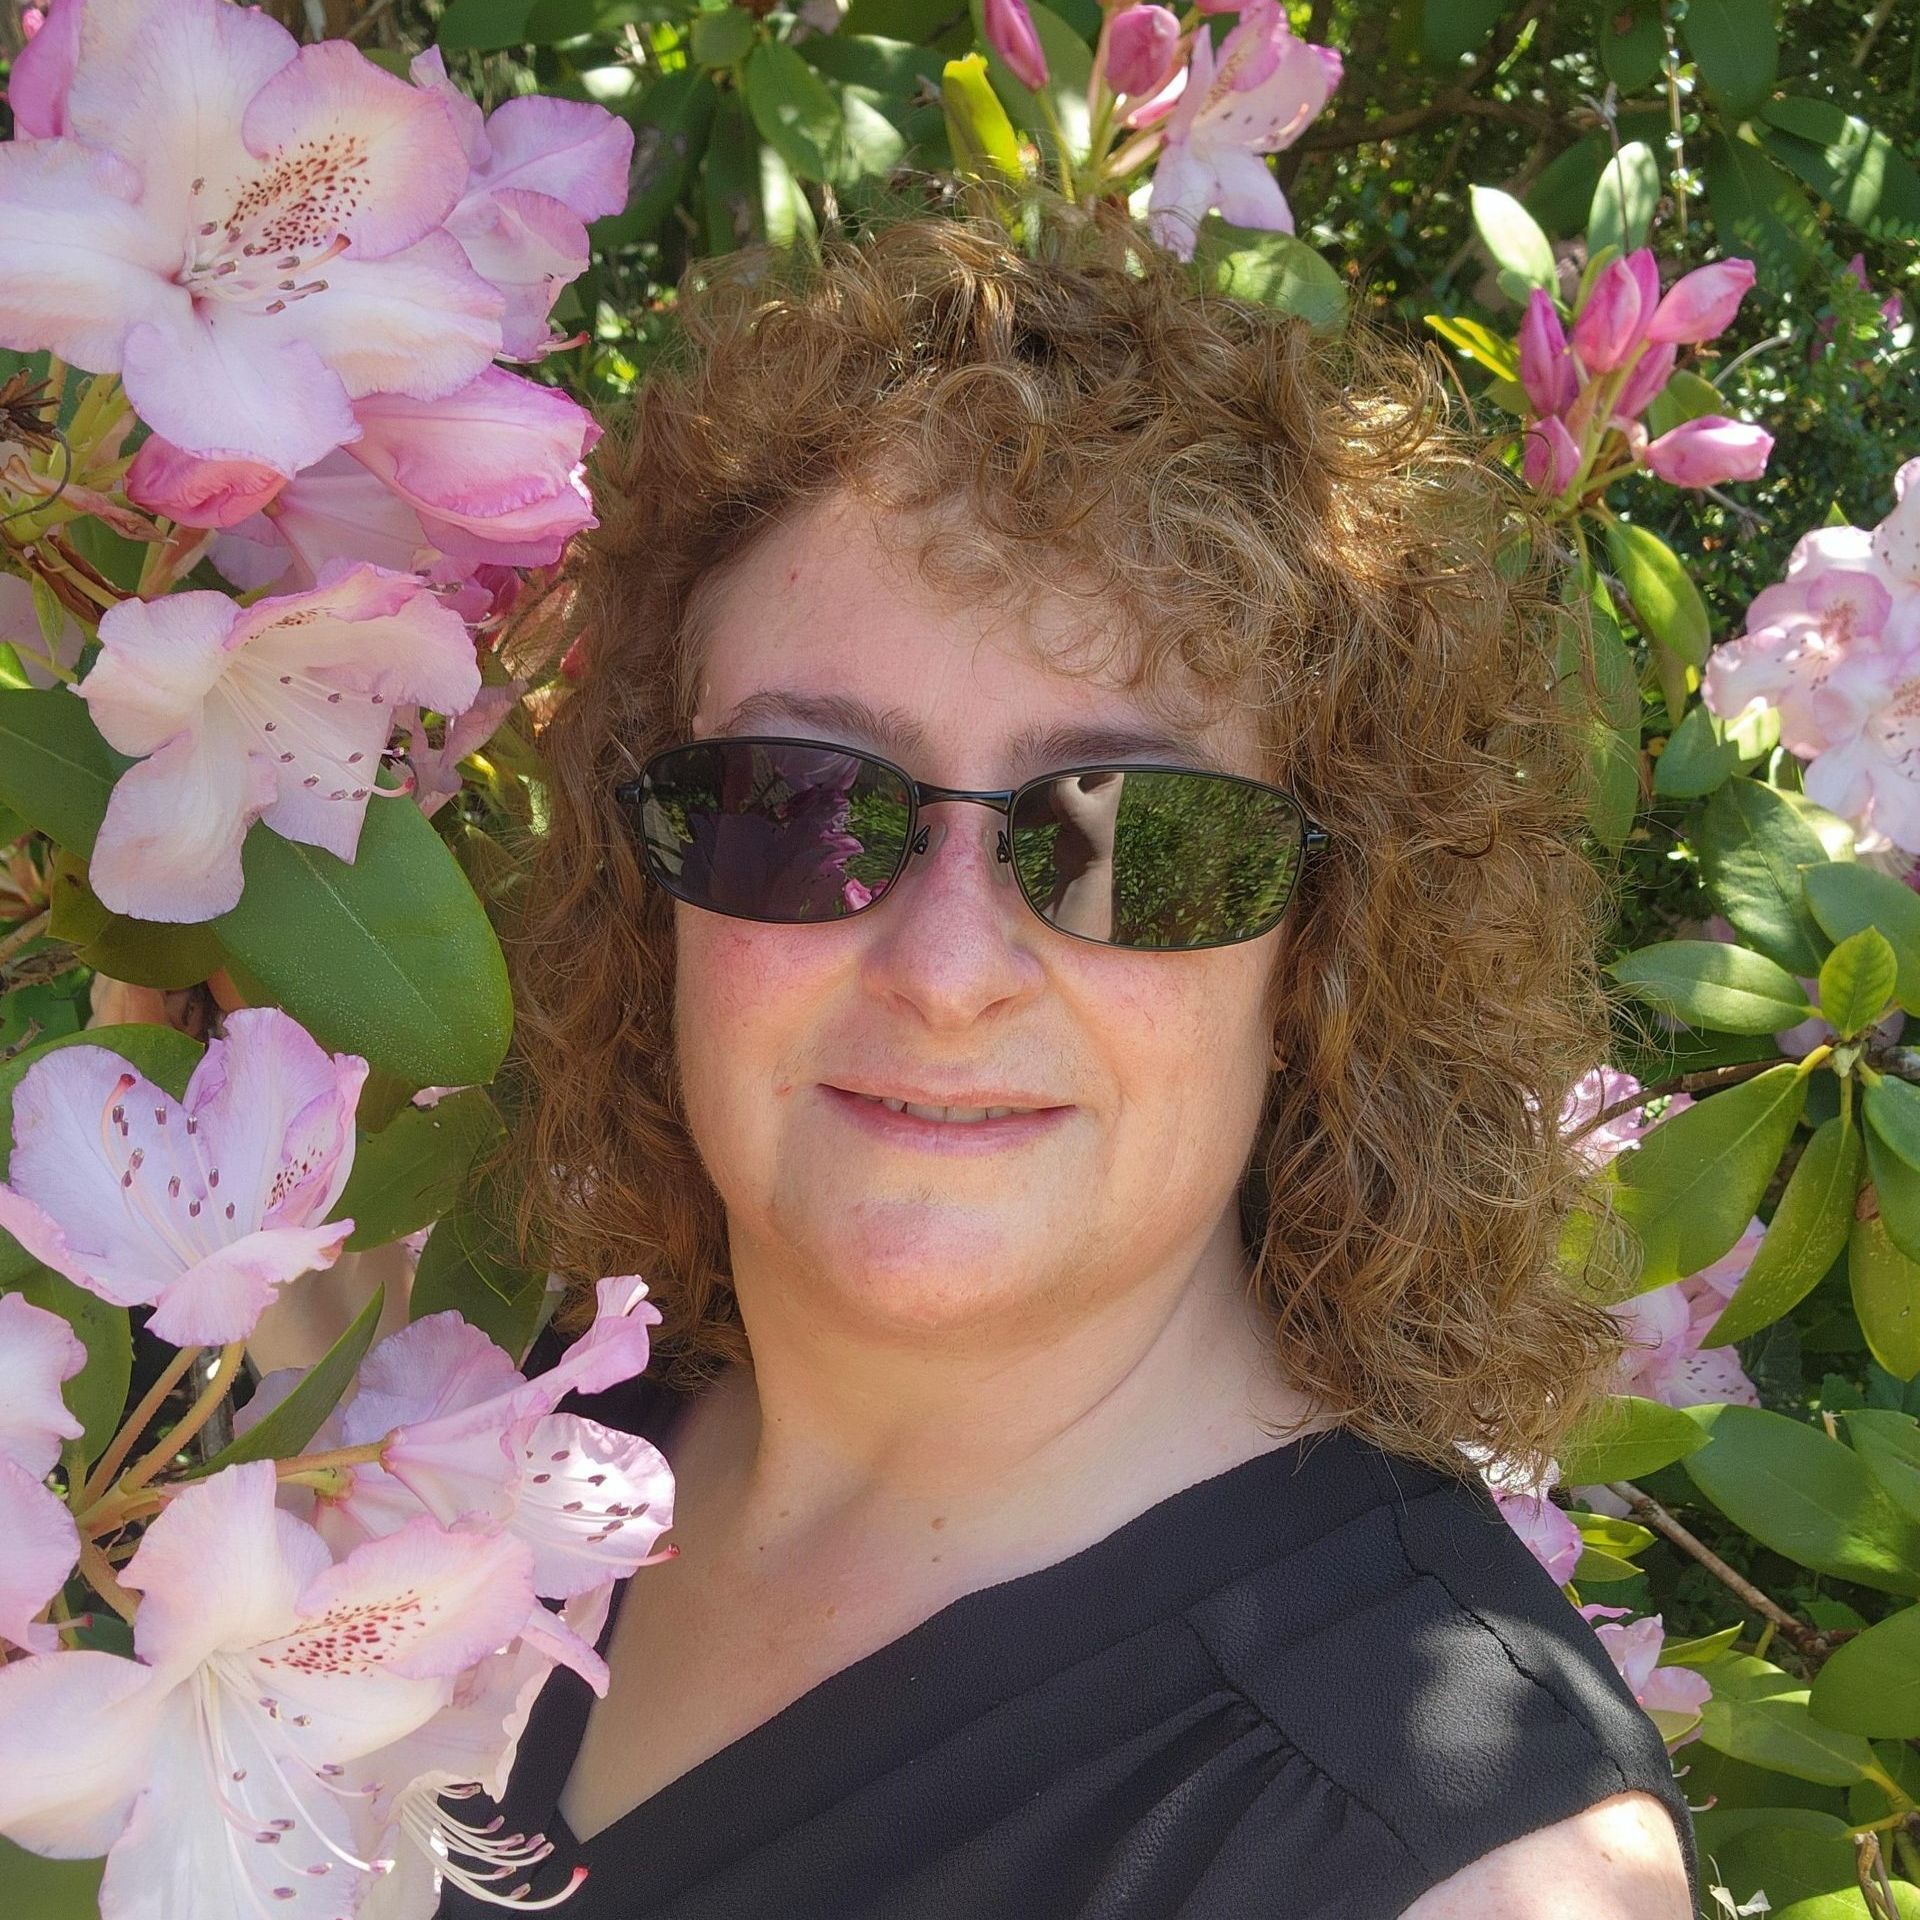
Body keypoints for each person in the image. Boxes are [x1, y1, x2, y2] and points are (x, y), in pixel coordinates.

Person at [444, 203, 1696, 1918]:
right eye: (802, 806)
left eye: (1137, 840)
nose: (949, 971)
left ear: (1324, 954)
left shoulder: (1452, 1859)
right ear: (648, 872)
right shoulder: (483, 1421)